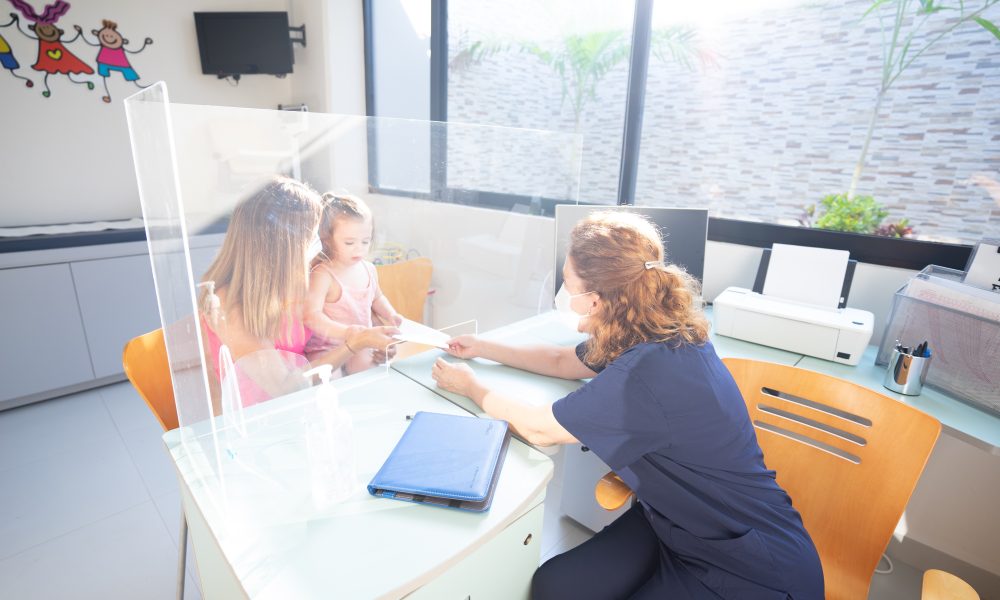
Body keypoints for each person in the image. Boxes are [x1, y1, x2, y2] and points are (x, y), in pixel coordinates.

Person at [431, 211, 824, 599]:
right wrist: (483, 347)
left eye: (569, 285)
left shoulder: (650, 370)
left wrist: (471, 387)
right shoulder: (647, 330)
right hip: (672, 522)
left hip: (749, 568)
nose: (563, 295)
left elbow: (538, 428)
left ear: (597, 299)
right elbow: (562, 362)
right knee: (555, 587)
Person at [199, 177, 398, 406]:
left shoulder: (294, 279)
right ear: (282, 243)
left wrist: (373, 344)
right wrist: (354, 344)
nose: (319, 245)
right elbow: (284, 388)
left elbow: (338, 322)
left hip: (308, 403)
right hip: (263, 418)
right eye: (311, 236)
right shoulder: (227, 303)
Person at [303, 193, 403, 376]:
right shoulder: (323, 274)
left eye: (365, 241)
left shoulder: (369, 269)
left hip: (361, 342)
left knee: (370, 371)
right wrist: (347, 333)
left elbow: (378, 298)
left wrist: (391, 314)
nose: (359, 248)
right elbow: (311, 316)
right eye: (350, 242)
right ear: (327, 240)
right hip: (326, 348)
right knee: (328, 378)